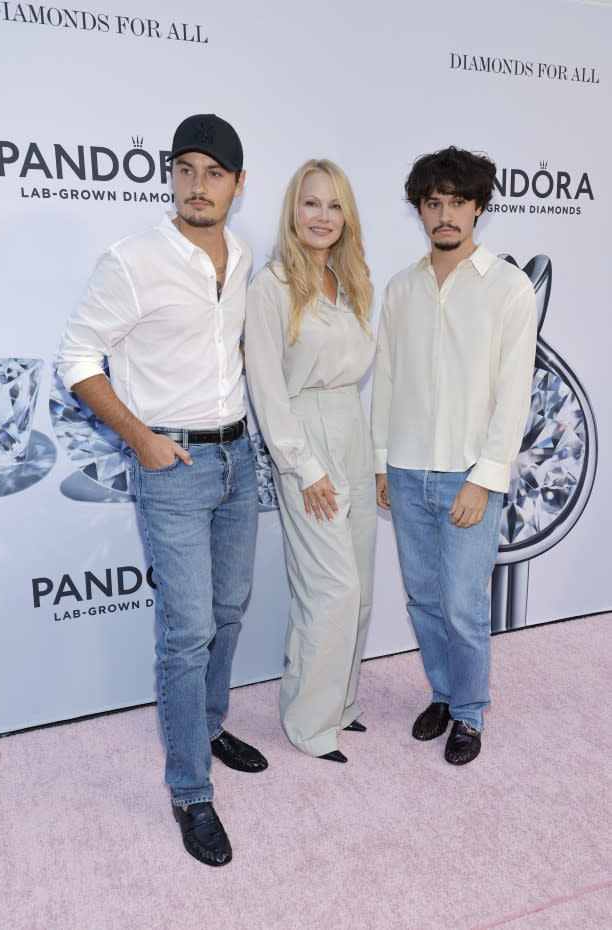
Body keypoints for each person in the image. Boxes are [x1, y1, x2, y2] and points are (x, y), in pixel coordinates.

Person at [56, 114, 267, 867]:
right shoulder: (133, 258)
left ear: (239, 185)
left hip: (240, 460)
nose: (197, 185)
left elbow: (231, 347)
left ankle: (208, 724)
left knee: (229, 608)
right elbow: (77, 358)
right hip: (170, 467)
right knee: (185, 633)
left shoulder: (244, 257)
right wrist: (140, 438)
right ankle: (189, 791)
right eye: (185, 169)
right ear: (171, 176)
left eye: (214, 173)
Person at [371, 147, 537, 765]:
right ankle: (442, 694)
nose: (445, 214)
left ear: (478, 208)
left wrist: (485, 479)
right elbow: (386, 378)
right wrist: (384, 461)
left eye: (457, 202)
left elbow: (514, 394)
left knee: (464, 606)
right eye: (433, 202)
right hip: (409, 473)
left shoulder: (508, 289)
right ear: (420, 209)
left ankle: (469, 712)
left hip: (471, 475)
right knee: (421, 598)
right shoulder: (400, 288)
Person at [245, 159, 376, 763]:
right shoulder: (272, 285)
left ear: (346, 215)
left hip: (349, 423)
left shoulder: (350, 283)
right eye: (310, 204)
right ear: (292, 211)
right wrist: (303, 464)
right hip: (304, 435)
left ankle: (339, 703)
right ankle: (309, 723)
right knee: (331, 587)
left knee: (361, 585)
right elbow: (267, 387)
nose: (322, 217)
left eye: (334, 205)